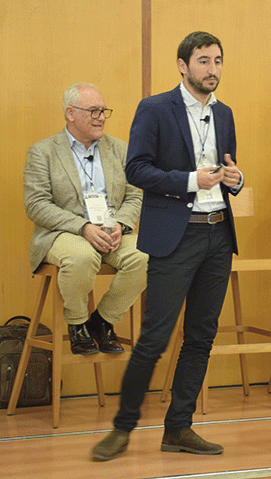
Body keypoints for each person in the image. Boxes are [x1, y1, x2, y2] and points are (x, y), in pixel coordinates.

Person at [92, 31, 243, 461]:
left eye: (217, 61)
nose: (212, 69)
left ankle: (179, 427)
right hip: (176, 234)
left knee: (201, 337)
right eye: (203, 61)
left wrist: (236, 180)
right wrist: (191, 181)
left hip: (218, 233)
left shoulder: (225, 114)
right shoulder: (155, 108)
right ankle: (122, 429)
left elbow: (227, 168)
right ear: (182, 65)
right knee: (154, 339)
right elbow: (136, 169)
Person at [23, 83, 147, 356]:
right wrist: (82, 227)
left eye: (103, 110)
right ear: (70, 113)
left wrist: (121, 225)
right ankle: (77, 323)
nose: (101, 117)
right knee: (82, 257)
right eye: (93, 111)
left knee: (147, 255)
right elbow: (36, 205)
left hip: (112, 231)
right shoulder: (42, 152)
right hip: (64, 234)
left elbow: (135, 195)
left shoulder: (120, 149)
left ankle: (102, 322)